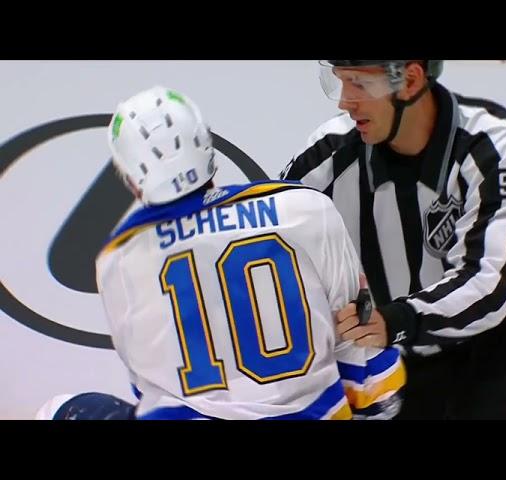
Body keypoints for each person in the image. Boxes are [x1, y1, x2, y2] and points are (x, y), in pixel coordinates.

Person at [36, 85, 404, 420]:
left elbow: (149, 389)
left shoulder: (119, 258)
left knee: (58, 409)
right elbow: (363, 348)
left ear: (131, 179)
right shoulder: (305, 208)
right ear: (209, 150)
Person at [280, 60, 506, 419]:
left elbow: (487, 283)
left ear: (411, 81)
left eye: (359, 85)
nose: (345, 102)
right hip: (410, 334)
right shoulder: (330, 150)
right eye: (339, 83)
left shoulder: (493, 143)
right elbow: (267, 231)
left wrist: (394, 322)